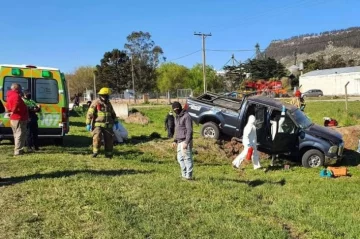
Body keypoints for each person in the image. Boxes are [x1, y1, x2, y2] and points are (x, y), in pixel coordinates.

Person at [85, 87, 119, 158]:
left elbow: (112, 113)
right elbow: (90, 113)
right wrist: (88, 123)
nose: (104, 97)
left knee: (109, 140)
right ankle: (95, 152)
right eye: (103, 95)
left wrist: (116, 121)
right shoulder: (96, 102)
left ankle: (109, 154)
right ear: (100, 95)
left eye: (106, 95)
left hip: (108, 125)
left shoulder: (108, 103)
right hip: (98, 125)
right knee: (97, 138)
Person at [171, 101, 194, 180]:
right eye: (174, 108)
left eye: (177, 108)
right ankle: (184, 175)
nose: (176, 109)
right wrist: (175, 140)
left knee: (187, 158)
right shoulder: (176, 117)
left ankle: (189, 176)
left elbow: (189, 130)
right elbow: (177, 130)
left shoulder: (186, 116)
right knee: (180, 158)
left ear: (180, 107)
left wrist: (186, 142)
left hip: (185, 140)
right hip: (179, 141)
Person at [5, 83, 29, 156]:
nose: (21, 90)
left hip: (14, 118)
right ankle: (18, 150)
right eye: (20, 88)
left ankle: (19, 149)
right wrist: (13, 111)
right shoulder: (16, 96)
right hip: (19, 117)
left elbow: (6, 106)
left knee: (16, 134)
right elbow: (16, 104)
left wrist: (9, 112)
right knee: (20, 134)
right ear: (17, 89)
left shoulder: (9, 96)